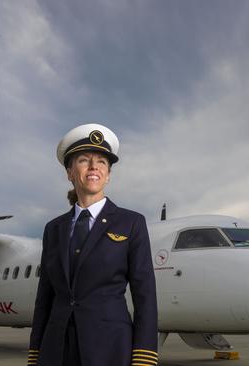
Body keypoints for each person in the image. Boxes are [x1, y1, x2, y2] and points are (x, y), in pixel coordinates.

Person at [27, 123, 158, 366]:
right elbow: (44, 297)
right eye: (84, 160)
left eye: (101, 162)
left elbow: (145, 294)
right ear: (69, 172)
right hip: (56, 350)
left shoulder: (131, 223)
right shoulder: (53, 229)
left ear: (107, 174)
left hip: (110, 348)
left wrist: (144, 355)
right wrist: (35, 351)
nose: (93, 166)